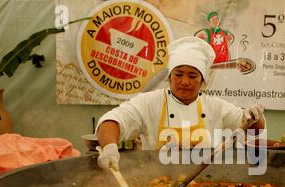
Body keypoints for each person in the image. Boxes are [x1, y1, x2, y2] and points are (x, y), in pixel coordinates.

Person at [96, 36, 265, 170]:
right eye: (178, 74)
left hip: (206, 182)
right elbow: (114, 120)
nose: (185, 81)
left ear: (202, 81)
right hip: (154, 180)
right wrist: (110, 147)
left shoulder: (216, 107)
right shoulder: (149, 102)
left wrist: (254, 116)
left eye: (192, 76)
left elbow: (254, 128)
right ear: (169, 76)